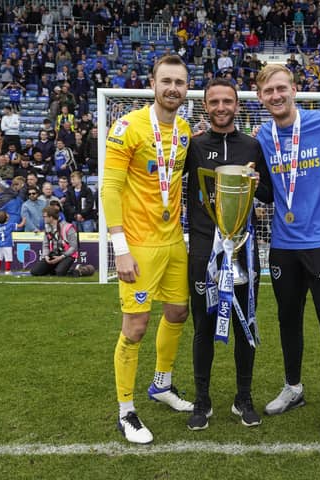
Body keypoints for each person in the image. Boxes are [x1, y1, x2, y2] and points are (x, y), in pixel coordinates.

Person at [101, 55, 194, 445]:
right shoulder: (127, 128)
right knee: (135, 327)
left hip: (174, 241)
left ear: (186, 88)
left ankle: (162, 384)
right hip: (137, 246)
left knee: (178, 311)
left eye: (180, 82)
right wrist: (119, 249)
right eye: (166, 81)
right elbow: (110, 189)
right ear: (152, 83)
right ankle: (126, 411)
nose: (173, 88)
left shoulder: (186, 130)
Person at [255, 64, 320, 437]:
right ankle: (293, 387)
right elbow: (266, 190)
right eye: (268, 92)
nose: (276, 96)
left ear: (294, 89)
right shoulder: (263, 135)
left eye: (282, 89)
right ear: (261, 97)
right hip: (282, 245)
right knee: (287, 319)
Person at [185, 78, 273, 431]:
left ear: (237, 105)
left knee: (245, 324)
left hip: (243, 252)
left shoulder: (252, 147)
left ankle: (243, 398)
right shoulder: (192, 147)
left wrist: (254, 182)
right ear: (206, 105)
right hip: (205, 253)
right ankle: (202, 400)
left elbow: (267, 194)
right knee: (202, 327)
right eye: (214, 101)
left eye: (228, 101)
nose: (221, 107)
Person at [29, 205, 78, 276]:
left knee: (59, 273)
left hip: (67, 255)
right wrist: (46, 256)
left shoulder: (68, 227)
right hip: (53, 254)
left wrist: (61, 257)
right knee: (35, 272)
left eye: (45, 216)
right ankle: (55, 269)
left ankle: (80, 270)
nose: (43, 218)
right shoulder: (47, 228)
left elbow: (74, 247)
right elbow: (45, 245)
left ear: (51, 217)